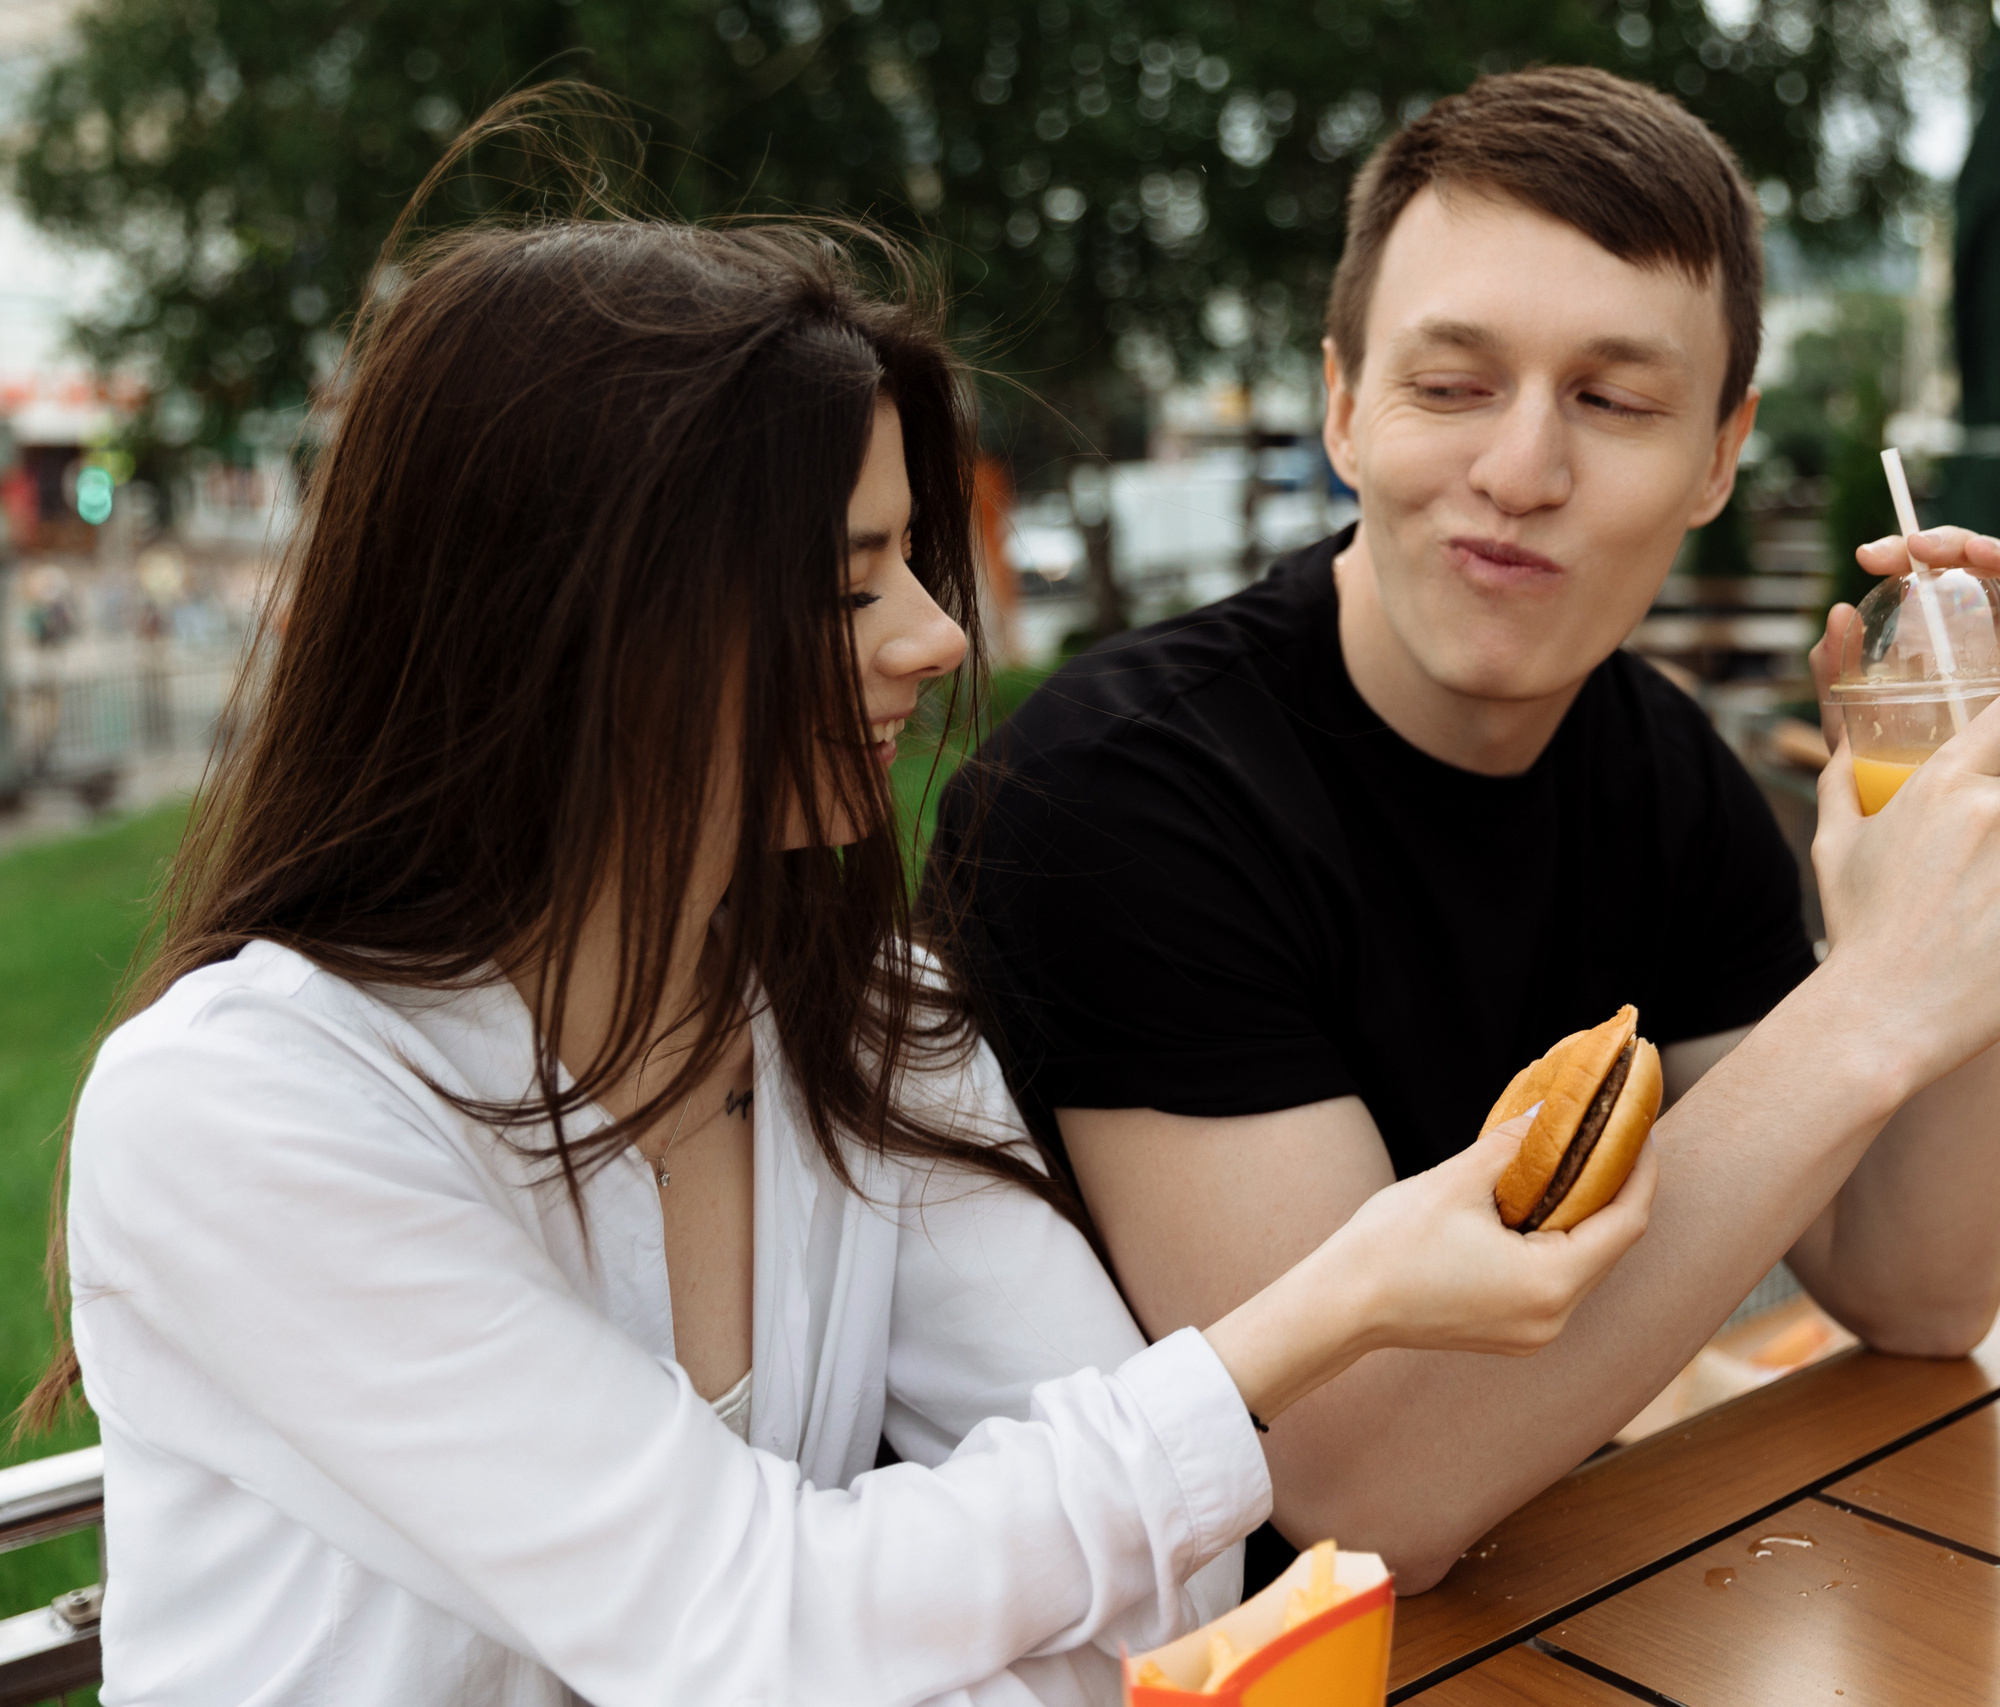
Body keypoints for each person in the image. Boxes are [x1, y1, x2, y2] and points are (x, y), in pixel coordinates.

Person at [38, 97, 1656, 1707]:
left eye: (913, 562)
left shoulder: (867, 1015)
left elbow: (1156, 1589)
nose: (939, 639)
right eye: (841, 584)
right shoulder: (245, 1119)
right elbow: (760, 1626)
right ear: (566, 633)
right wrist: (1324, 1310)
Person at [931, 66, 2000, 1594]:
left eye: (1614, 401)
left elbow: (1920, 1292)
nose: (1520, 472)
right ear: (1345, 406)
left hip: (1539, 1609)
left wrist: (1970, 869)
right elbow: (1363, 1488)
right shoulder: (1113, 792)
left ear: (1717, 455)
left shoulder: (1663, 773)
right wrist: (1873, 996)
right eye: (1451, 384)